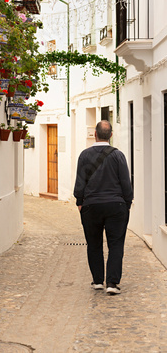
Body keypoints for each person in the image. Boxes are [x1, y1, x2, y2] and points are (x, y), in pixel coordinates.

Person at [73, 120, 133, 295]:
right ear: (111, 135)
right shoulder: (118, 156)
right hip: (116, 205)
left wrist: (79, 201)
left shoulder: (84, 156)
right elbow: (126, 183)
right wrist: (127, 204)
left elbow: (80, 182)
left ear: (95, 134)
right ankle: (112, 284)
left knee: (93, 243)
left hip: (91, 206)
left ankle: (98, 281)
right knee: (116, 244)